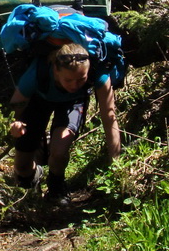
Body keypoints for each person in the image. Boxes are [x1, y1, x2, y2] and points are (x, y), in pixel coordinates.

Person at [9, 42, 121, 205]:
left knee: (59, 152)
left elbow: (109, 118)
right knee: (22, 168)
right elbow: (16, 103)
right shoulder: (37, 73)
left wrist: (116, 161)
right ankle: (33, 177)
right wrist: (16, 124)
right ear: (55, 70)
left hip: (73, 103)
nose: (75, 85)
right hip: (39, 101)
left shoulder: (99, 74)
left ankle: (56, 187)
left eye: (81, 79)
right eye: (68, 80)